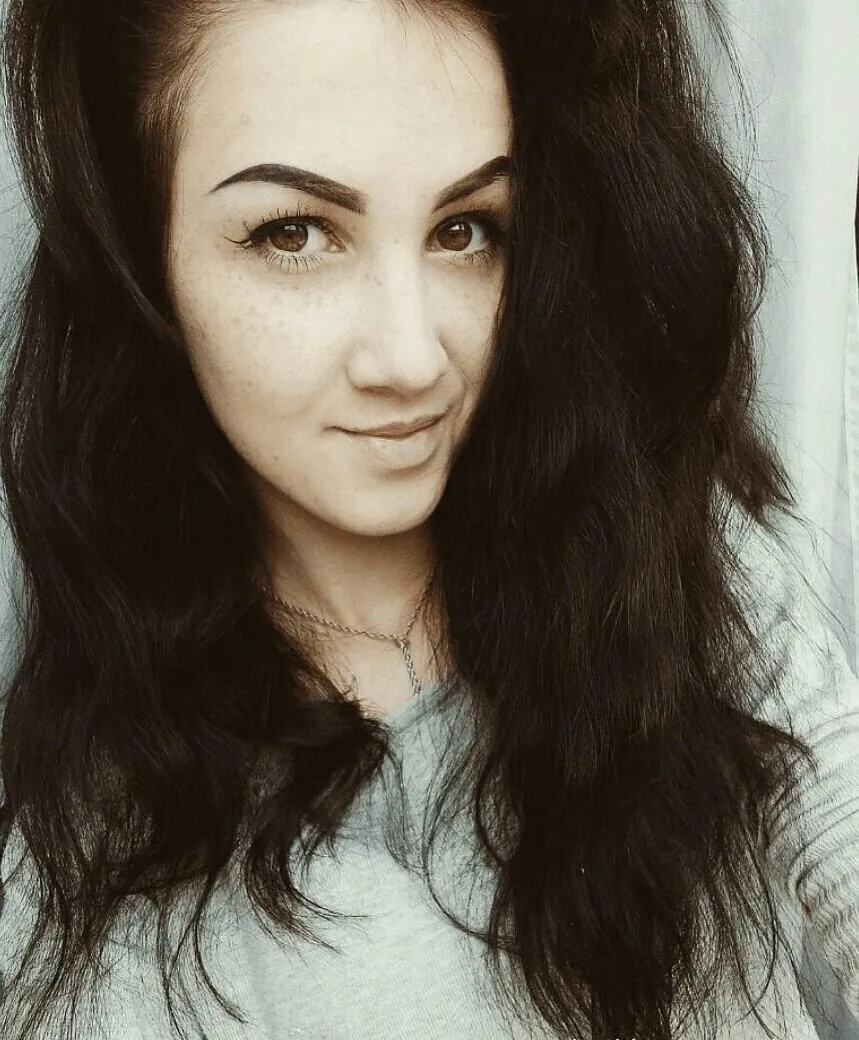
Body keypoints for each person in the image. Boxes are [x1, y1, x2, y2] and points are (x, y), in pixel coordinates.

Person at [0, 0, 856, 1037]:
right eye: (293, 233)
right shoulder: (87, 892)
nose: (411, 357)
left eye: (465, 230)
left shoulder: (655, 547)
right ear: (143, 261)